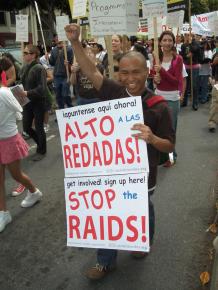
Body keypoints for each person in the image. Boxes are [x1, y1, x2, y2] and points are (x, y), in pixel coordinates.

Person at [65, 23, 175, 280]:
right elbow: (90, 70)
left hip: (143, 175)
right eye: (124, 72)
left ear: (147, 72)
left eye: (136, 72)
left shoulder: (159, 107)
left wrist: (152, 137)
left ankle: (143, 240)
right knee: (107, 213)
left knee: (142, 209)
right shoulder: (113, 91)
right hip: (108, 172)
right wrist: (74, 42)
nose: (130, 78)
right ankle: (105, 261)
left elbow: (170, 146)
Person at [0, 60, 43, 233]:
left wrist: (5, 118)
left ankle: (34, 191)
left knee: (16, 174)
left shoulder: (4, 93)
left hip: (9, 139)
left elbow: (19, 112)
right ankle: (3, 213)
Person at [154, 31, 183, 166]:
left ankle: (172, 157)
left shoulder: (178, 59)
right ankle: (163, 156)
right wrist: (155, 79)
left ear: (173, 42)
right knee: (160, 129)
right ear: (160, 42)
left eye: (170, 40)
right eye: (164, 40)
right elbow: (155, 80)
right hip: (158, 97)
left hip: (172, 99)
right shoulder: (156, 57)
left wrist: (162, 71)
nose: (167, 43)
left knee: (170, 130)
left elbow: (176, 81)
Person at [19, 44, 47, 161]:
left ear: (33, 55)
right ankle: (40, 144)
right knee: (26, 127)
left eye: (26, 53)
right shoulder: (24, 67)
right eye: (24, 53)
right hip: (27, 102)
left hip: (38, 102)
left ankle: (41, 150)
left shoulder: (39, 68)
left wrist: (28, 93)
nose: (23, 55)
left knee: (39, 127)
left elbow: (42, 88)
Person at [48, 40, 73, 109]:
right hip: (57, 76)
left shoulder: (69, 49)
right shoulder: (54, 50)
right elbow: (52, 63)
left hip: (66, 75)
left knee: (65, 94)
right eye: (56, 39)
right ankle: (61, 113)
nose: (57, 40)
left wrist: (68, 65)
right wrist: (48, 58)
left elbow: (72, 63)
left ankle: (71, 109)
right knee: (58, 96)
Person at [180, 34, 201, 110]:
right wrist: (187, 56)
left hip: (194, 67)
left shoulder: (196, 43)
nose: (187, 37)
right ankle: (184, 101)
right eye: (186, 35)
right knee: (185, 85)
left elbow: (196, 49)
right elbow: (182, 55)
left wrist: (191, 43)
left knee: (194, 85)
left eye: (189, 35)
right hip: (186, 67)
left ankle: (195, 103)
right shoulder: (183, 45)